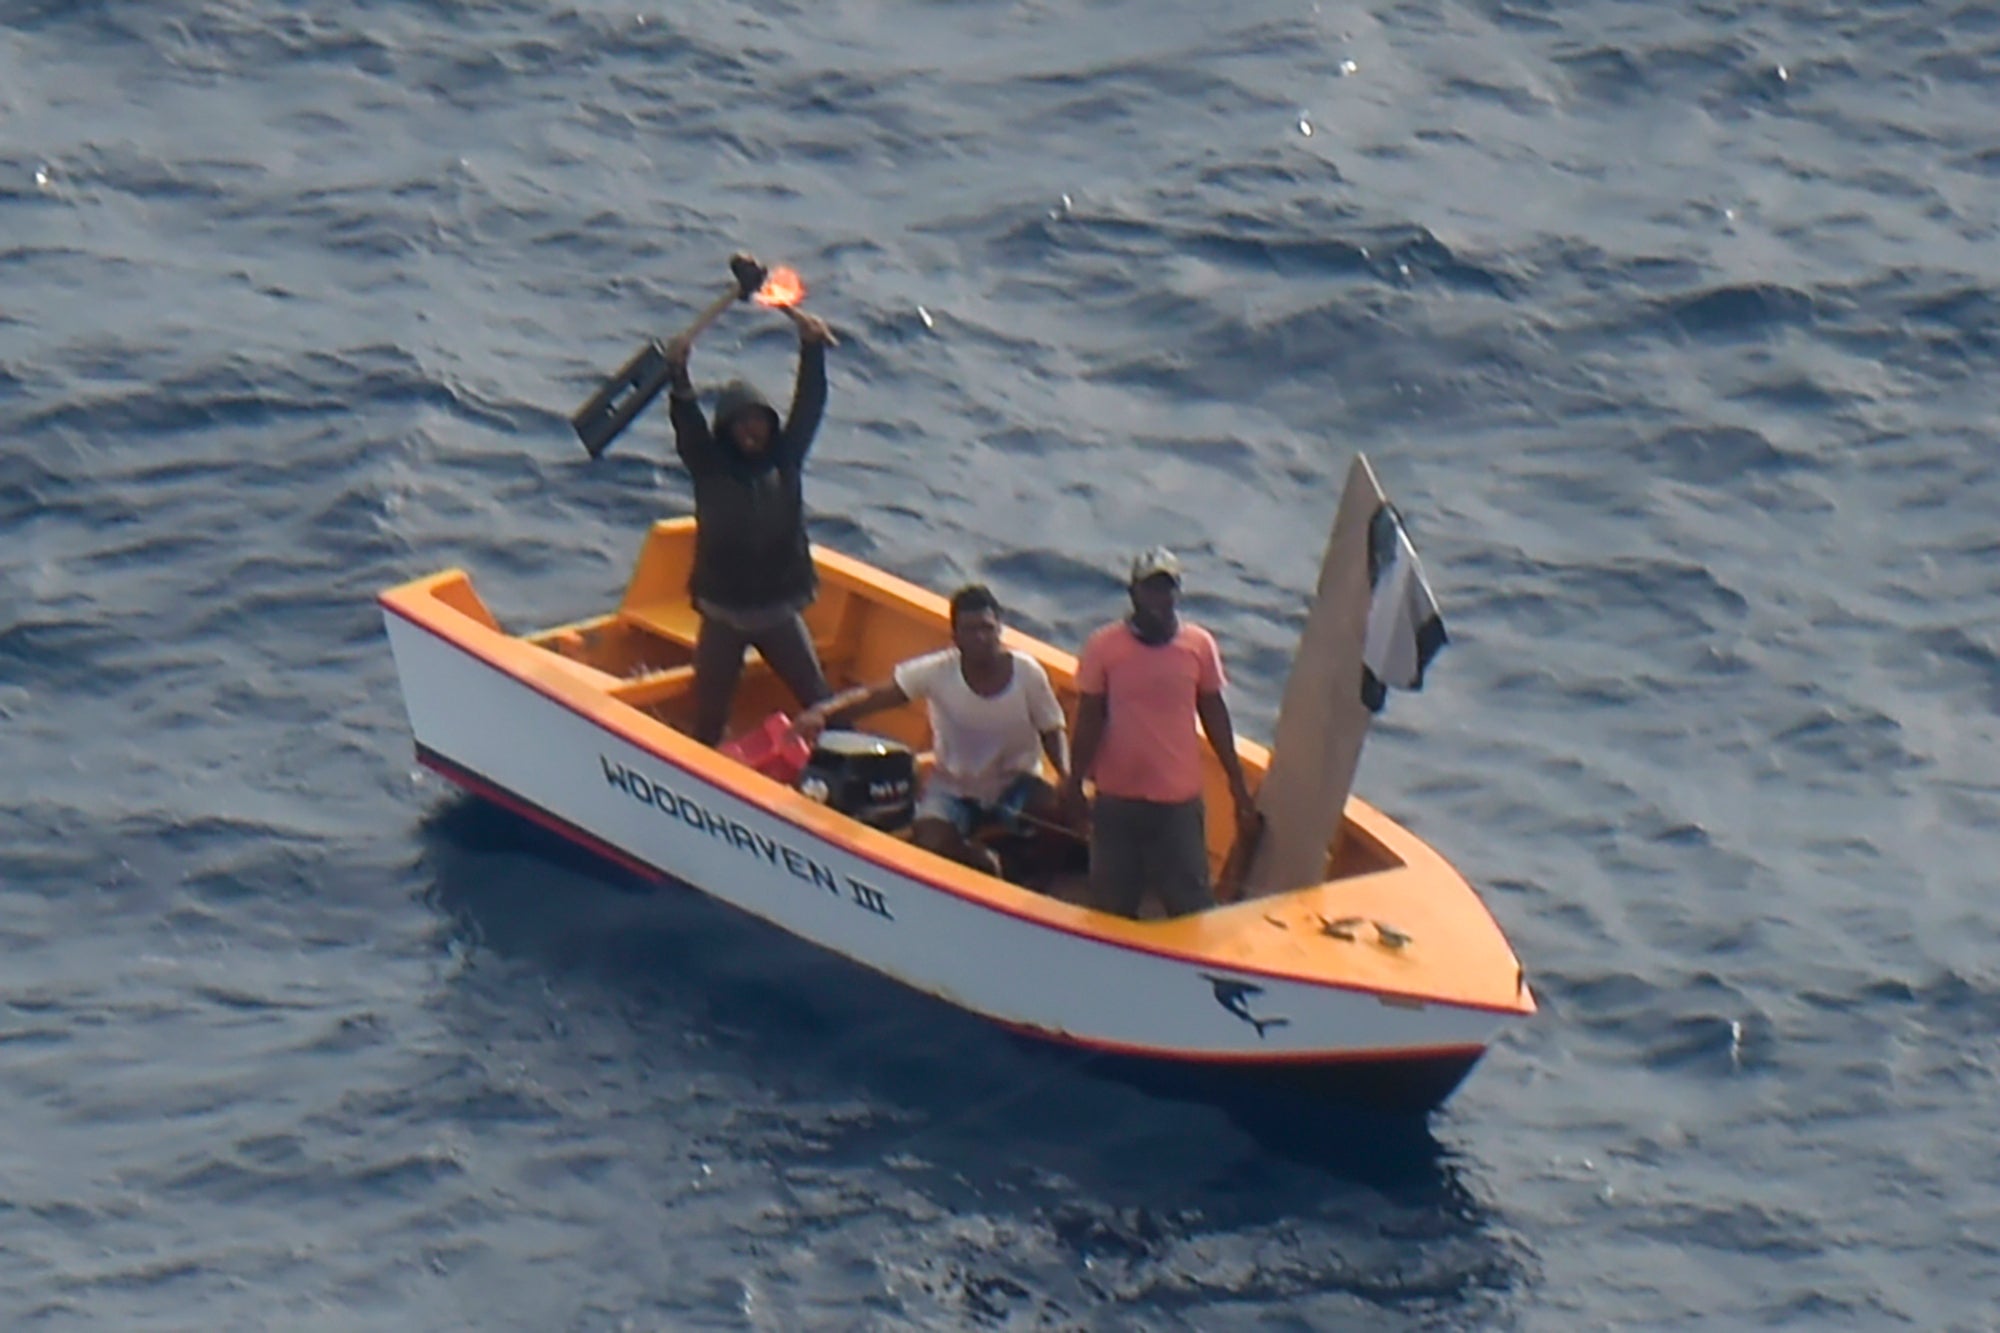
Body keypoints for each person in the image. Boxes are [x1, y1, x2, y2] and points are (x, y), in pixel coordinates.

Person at [664, 253, 840, 746]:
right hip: (722, 610)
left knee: (819, 698)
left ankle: (853, 759)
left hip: (779, 607)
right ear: (728, 429)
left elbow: (809, 404)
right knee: (710, 711)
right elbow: (686, 419)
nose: (752, 432)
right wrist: (678, 375)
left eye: (759, 422)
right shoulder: (707, 463)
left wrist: (813, 351)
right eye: (743, 424)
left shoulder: (786, 457)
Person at [793, 585, 1069, 875]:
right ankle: (983, 862)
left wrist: (1065, 776)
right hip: (953, 788)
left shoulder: (1027, 672)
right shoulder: (937, 671)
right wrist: (822, 713)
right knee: (930, 838)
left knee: (1056, 812)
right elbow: (876, 695)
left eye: (988, 628)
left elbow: (1052, 727)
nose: (981, 637)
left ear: (1000, 629)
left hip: (1016, 784)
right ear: (955, 637)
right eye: (971, 630)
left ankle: (1037, 877)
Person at [1059, 548, 1257, 918]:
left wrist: (1237, 783)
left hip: (1177, 802)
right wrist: (1074, 783)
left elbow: (1214, 713)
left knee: (1191, 904)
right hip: (1117, 799)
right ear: (1133, 593)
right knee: (1112, 905)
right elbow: (1089, 718)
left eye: (1167, 589)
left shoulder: (1199, 645)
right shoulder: (1104, 646)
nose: (1159, 599)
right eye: (1151, 589)